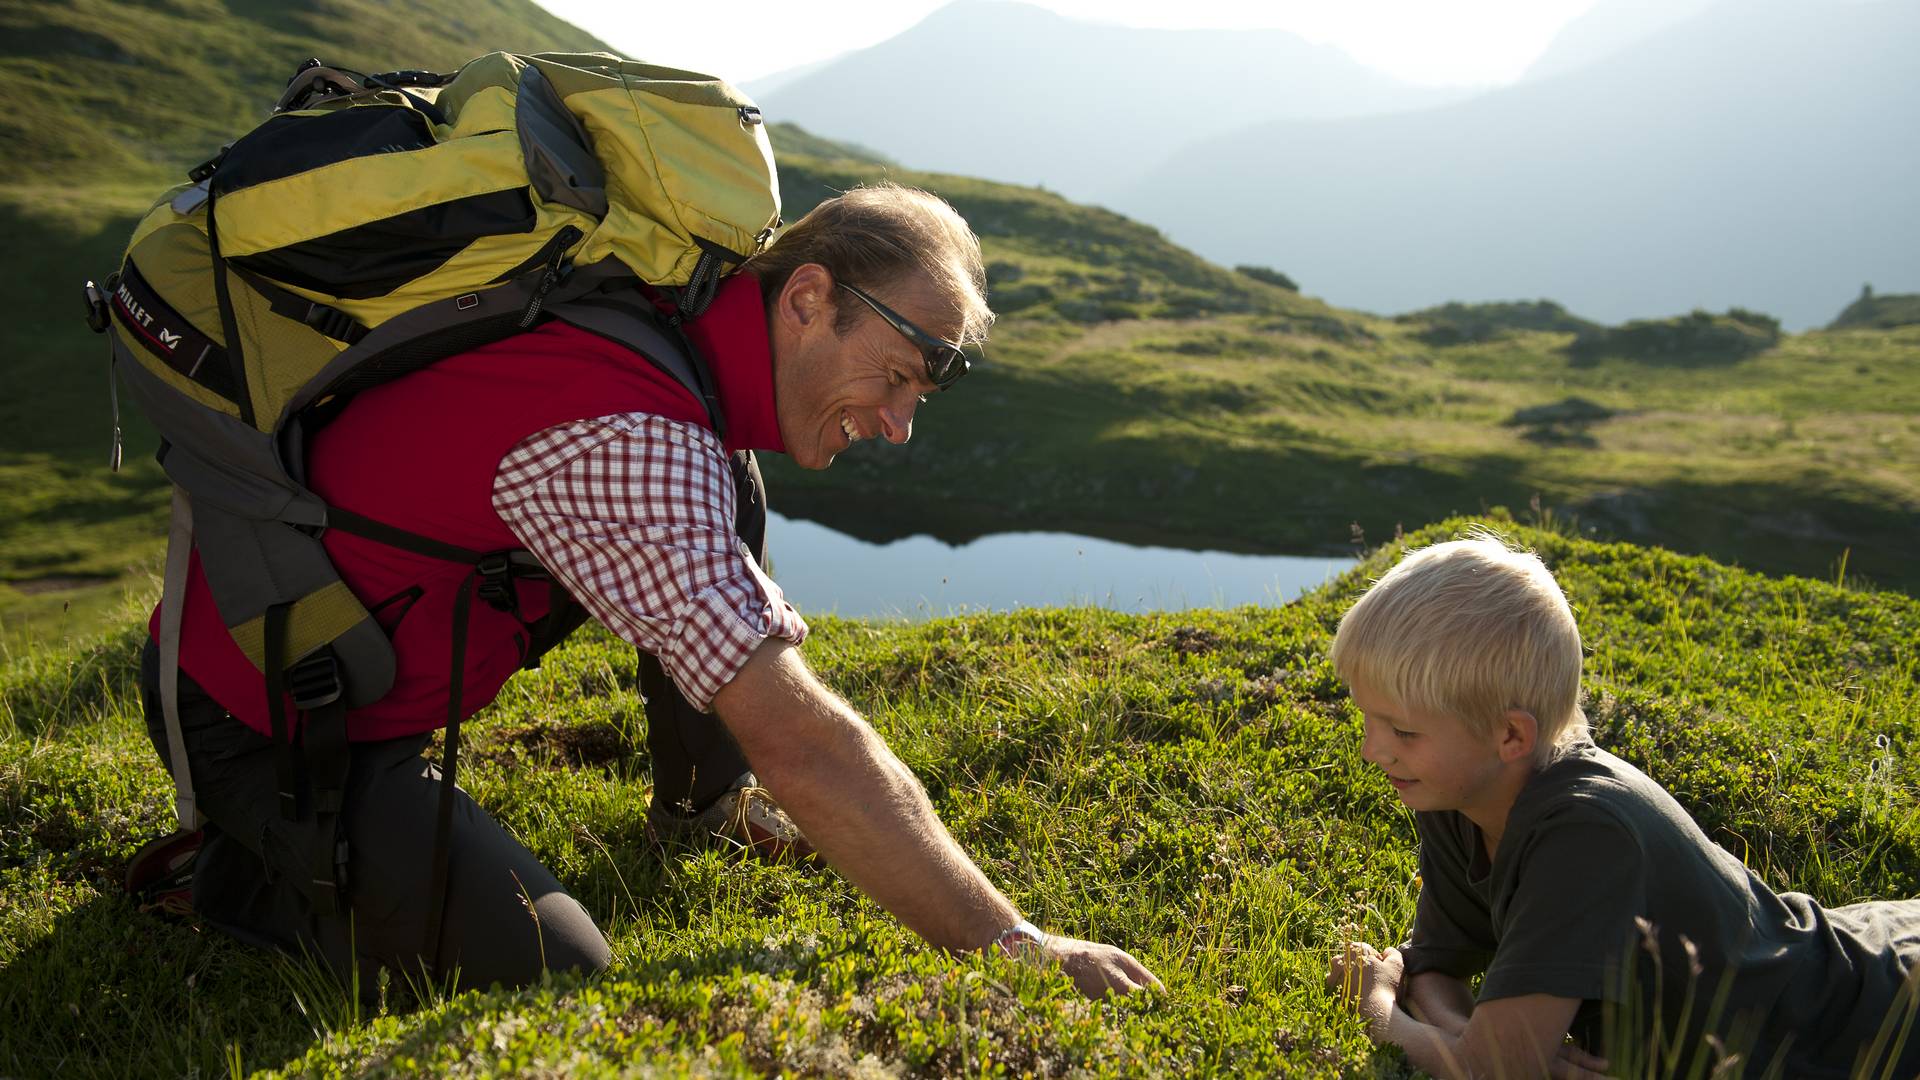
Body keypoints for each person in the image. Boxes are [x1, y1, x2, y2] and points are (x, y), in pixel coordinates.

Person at [130, 182, 1161, 999]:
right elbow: (802, 737)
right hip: (275, 719)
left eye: (922, 393)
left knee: (730, 491)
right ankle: (233, 872)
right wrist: (1007, 940)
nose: (899, 422)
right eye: (896, 376)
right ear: (807, 300)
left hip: (360, 660)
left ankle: (703, 808)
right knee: (559, 975)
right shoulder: (631, 436)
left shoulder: (679, 325)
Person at [1321, 535, 1919, 1079]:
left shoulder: (1585, 833)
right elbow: (1434, 968)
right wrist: (1475, 1038)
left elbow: (1490, 1067)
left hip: (1865, 1015)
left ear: (1510, 736)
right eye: (1369, 719)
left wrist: (1375, 1006)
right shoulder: (1457, 795)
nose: (1373, 750)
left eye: (1402, 731)